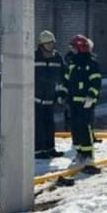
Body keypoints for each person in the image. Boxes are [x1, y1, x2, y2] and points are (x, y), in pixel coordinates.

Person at [64, 35, 102, 164]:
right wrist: (62, 93)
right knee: (75, 127)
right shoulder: (73, 64)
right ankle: (80, 151)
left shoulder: (91, 63)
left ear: (81, 48)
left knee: (84, 127)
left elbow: (96, 81)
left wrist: (92, 95)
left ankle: (88, 153)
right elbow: (66, 80)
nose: (72, 51)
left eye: (74, 48)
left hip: (86, 101)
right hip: (73, 101)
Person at [33, 30, 65, 159]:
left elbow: (63, 76)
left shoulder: (57, 57)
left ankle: (50, 148)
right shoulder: (34, 56)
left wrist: (62, 92)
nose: (51, 46)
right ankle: (38, 150)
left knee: (49, 124)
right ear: (42, 44)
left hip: (50, 97)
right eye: (48, 43)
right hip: (35, 98)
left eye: (52, 43)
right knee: (38, 125)